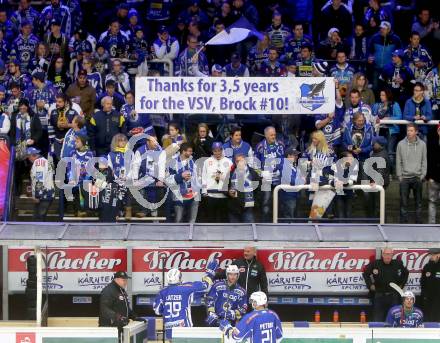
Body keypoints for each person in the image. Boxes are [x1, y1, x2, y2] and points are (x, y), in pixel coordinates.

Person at [153, 260, 218, 339]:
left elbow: (157, 310)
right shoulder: (186, 289)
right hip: (185, 329)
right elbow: (206, 286)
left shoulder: (162, 292)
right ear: (179, 278)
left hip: (169, 330)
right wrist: (209, 274)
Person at [363, 247, 409, 321]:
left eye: (390, 254)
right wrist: (370, 285)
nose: (388, 256)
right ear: (383, 255)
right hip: (379, 296)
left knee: (394, 318)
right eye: (386, 254)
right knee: (378, 319)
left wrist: (401, 285)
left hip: (393, 296)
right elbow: (365, 273)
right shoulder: (375, 263)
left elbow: (406, 273)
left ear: (392, 255)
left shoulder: (397, 263)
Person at [396, 123, 427, 223]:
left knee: (418, 202)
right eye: (408, 130)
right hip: (404, 178)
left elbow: (424, 161)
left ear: (416, 132)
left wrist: (422, 176)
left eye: (411, 130)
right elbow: (398, 161)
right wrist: (400, 176)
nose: (409, 132)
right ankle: (403, 223)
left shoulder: (422, 144)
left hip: (417, 177)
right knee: (403, 203)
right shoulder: (400, 144)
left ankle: (418, 222)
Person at [255, 126, 285, 222]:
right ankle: (264, 224)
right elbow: (255, 165)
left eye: (274, 134)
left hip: (279, 179)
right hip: (266, 180)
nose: (273, 136)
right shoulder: (260, 146)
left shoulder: (281, 144)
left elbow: (285, 160)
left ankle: (278, 223)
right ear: (266, 135)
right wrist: (261, 173)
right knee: (266, 202)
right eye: (271, 135)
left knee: (279, 203)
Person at [168, 142, 200, 223]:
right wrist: (180, 176)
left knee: (192, 221)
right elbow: (168, 179)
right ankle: (178, 235)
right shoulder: (172, 163)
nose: (190, 153)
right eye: (189, 151)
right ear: (183, 151)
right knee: (178, 219)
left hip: (193, 195)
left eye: (191, 151)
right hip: (179, 195)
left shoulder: (194, 162)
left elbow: (198, 178)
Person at [99, 271, 138, 338]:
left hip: (120, 327)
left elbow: (125, 307)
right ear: (116, 279)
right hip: (110, 329)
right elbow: (104, 309)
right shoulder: (108, 290)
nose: (125, 282)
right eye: (123, 280)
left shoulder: (121, 290)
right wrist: (118, 317)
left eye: (126, 280)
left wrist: (134, 317)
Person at [201, 141, 233, 223]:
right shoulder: (207, 162)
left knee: (224, 220)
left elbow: (232, 178)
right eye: (215, 151)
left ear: (222, 150)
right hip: (211, 195)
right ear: (212, 151)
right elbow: (204, 177)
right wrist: (204, 191)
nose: (217, 153)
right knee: (211, 220)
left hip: (224, 196)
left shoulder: (229, 162)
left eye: (219, 150)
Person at [27, 147, 54, 221]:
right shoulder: (43, 161)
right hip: (45, 195)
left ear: (32, 155)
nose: (28, 159)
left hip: (43, 195)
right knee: (38, 219)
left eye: (28, 157)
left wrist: (38, 196)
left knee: (38, 219)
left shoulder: (39, 163)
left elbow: (39, 179)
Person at [228, 153, 257, 223]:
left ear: (245, 161)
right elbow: (224, 188)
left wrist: (256, 203)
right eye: (237, 161)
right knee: (234, 232)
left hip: (248, 207)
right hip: (234, 207)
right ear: (235, 162)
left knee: (249, 230)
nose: (239, 163)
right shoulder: (230, 173)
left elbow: (258, 189)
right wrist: (228, 192)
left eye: (241, 161)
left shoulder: (252, 172)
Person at [421, 248, 440, 322]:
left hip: (438, 298)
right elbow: (423, 282)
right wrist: (424, 294)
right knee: (429, 318)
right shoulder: (427, 266)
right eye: (430, 254)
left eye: (433, 254)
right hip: (429, 298)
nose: (431, 256)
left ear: (438, 255)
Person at [427, 125, 440, 224]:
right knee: (432, 201)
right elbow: (429, 159)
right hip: (434, 177)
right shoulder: (432, 142)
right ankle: (431, 224)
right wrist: (429, 176)